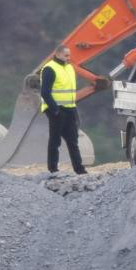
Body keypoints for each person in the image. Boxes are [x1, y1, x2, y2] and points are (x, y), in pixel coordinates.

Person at [40, 44, 87, 175]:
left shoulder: (70, 68)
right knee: (55, 140)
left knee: (73, 140)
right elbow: (45, 92)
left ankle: (79, 169)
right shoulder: (49, 68)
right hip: (56, 110)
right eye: (66, 55)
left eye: (69, 55)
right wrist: (55, 110)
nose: (68, 57)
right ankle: (53, 169)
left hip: (70, 108)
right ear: (58, 54)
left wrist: (73, 107)